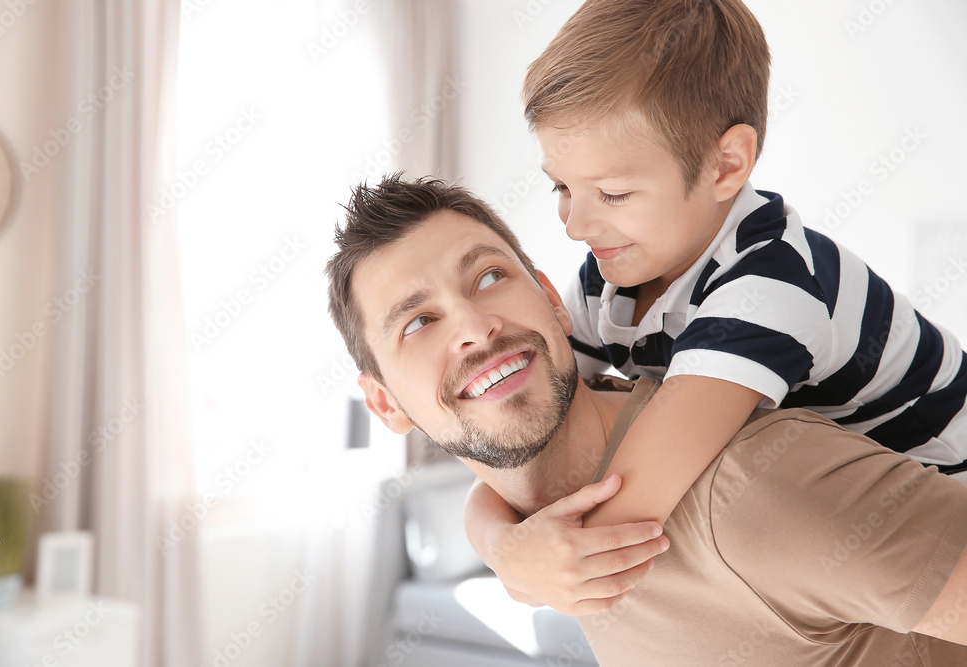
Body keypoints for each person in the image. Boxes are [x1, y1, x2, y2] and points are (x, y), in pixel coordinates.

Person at [325, 175, 967, 665]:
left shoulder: (751, 490)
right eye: (418, 321)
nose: (473, 326)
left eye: (489, 276)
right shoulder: (551, 550)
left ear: (553, 301)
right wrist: (499, 549)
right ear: (384, 403)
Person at [463, 0, 967, 613]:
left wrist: (524, 562)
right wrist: (500, 547)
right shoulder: (610, 274)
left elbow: (621, 518)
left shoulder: (772, 281)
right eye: (562, 188)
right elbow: (534, 445)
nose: (575, 224)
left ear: (726, 164)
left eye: (614, 193)